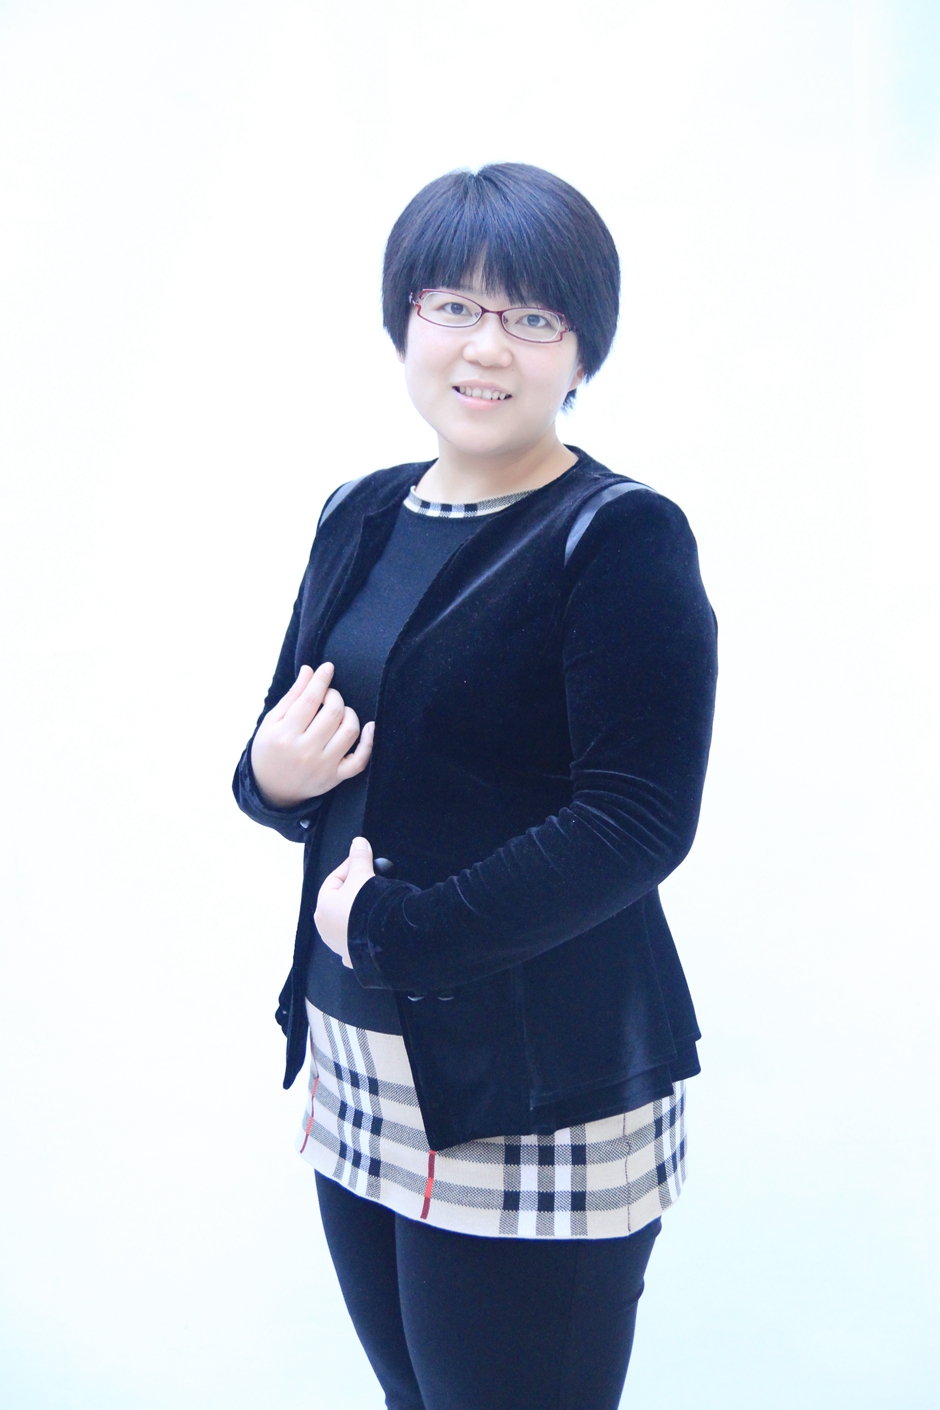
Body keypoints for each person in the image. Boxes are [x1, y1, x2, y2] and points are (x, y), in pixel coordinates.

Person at [233, 162, 717, 1410]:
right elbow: (292, 742)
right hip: (356, 1054)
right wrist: (266, 777)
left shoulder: (616, 535)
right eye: (451, 305)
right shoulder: (359, 512)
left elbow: (636, 822)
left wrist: (399, 933)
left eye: (530, 316)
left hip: (536, 1080)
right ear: (404, 320)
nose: (484, 346)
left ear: (582, 348)